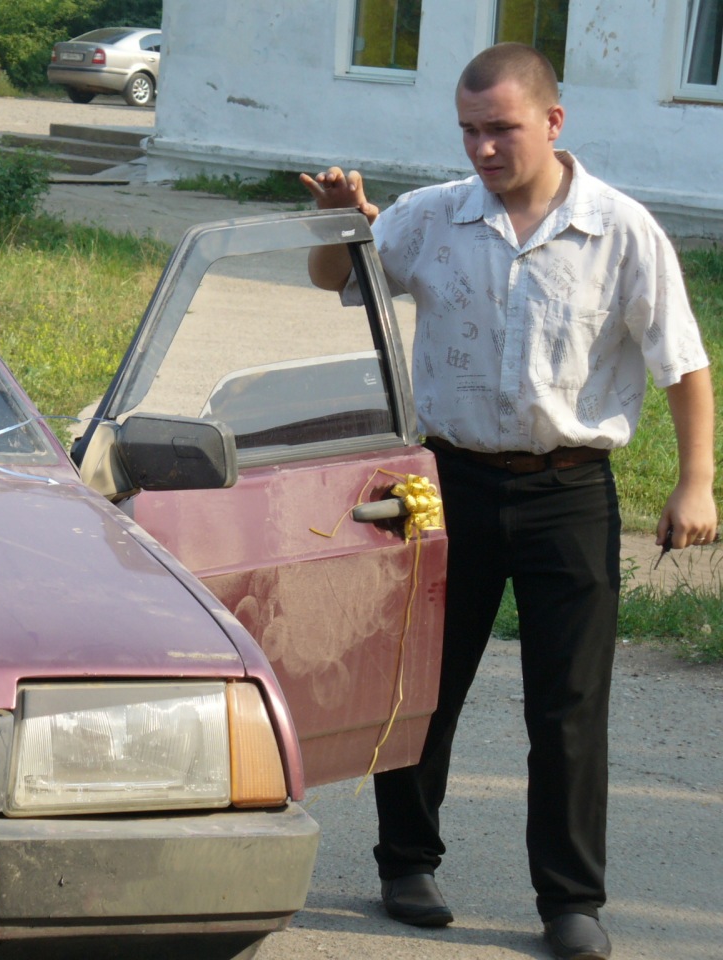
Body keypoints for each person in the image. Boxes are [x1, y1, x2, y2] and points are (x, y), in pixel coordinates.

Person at [300, 42, 717, 960]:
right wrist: (339, 224)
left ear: (554, 121)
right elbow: (340, 281)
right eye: (469, 130)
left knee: (568, 706)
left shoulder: (622, 231)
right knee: (425, 688)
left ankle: (571, 902)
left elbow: (684, 364)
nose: (483, 148)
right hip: (446, 485)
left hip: (569, 491)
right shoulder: (431, 216)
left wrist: (697, 481)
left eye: (502, 128)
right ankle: (407, 863)